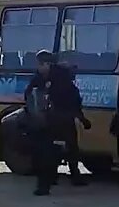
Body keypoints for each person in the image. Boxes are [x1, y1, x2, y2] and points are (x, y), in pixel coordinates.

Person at [25, 50, 87, 195]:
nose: (39, 67)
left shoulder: (60, 78)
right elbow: (29, 94)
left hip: (58, 120)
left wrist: (80, 117)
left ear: (48, 64)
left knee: (58, 151)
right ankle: (53, 181)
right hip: (54, 121)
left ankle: (52, 182)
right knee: (55, 151)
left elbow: (73, 99)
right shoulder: (41, 78)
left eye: (41, 64)